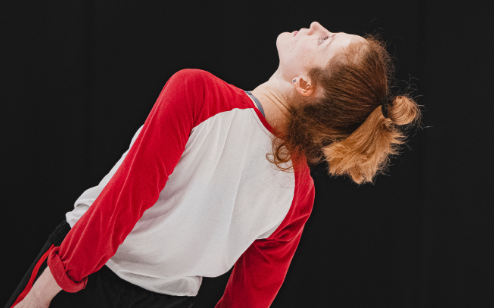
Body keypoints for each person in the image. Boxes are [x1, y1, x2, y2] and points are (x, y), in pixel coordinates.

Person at [8, 22, 421, 308]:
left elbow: (123, 202)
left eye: (325, 39)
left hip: (84, 274)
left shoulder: (198, 93)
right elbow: (249, 301)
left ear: (305, 85)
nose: (314, 26)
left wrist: (48, 290)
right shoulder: (299, 192)